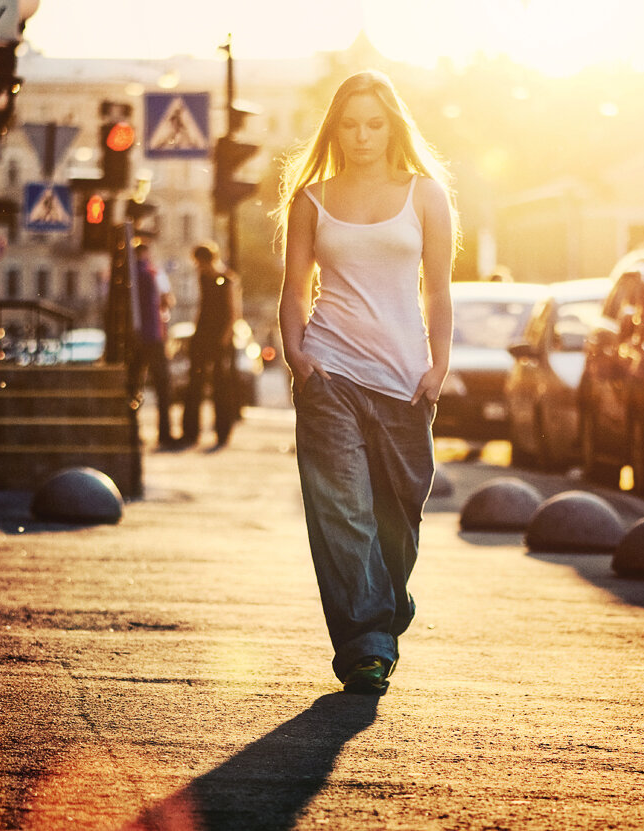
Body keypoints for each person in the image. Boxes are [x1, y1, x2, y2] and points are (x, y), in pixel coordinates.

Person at [275, 70, 458, 695]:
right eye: (350, 124)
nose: (362, 135)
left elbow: (438, 289)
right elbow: (294, 288)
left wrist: (439, 365)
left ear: (392, 126)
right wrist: (300, 358)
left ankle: (386, 600)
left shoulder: (427, 196)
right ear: (336, 129)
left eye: (374, 123)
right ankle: (366, 646)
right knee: (343, 511)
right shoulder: (312, 200)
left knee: (398, 514)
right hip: (330, 373)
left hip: (405, 380)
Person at [180, 241, 240, 448]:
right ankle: (190, 431)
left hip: (218, 338)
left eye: (200, 262)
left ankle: (222, 432)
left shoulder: (227, 279)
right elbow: (202, 307)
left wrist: (224, 340)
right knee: (194, 383)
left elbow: (233, 313)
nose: (198, 267)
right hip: (202, 335)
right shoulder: (204, 278)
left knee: (220, 386)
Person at [127, 242, 176, 447]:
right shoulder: (153, 273)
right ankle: (164, 433)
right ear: (146, 253)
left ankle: (132, 432)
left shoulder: (127, 274)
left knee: (133, 385)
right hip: (154, 336)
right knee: (162, 385)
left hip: (134, 338)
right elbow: (168, 299)